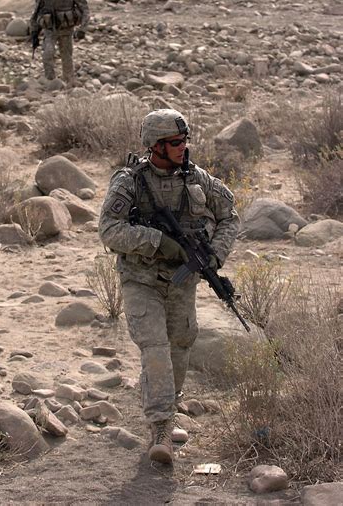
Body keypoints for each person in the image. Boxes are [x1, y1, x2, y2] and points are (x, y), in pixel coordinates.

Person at [98, 109, 239, 464]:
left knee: (180, 343)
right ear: (156, 146)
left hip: (182, 281)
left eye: (184, 141)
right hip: (141, 279)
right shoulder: (129, 182)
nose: (183, 147)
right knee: (155, 347)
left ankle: (169, 408)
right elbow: (109, 230)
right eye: (175, 142)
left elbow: (230, 216)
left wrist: (214, 257)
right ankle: (160, 427)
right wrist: (159, 242)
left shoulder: (198, 179)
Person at [29, 0, 89, 87]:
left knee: (67, 57)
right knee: (48, 53)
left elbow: (85, 10)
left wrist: (83, 29)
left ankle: (68, 81)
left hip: (66, 31)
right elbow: (35, 14)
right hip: (50, 31)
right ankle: (51, 80)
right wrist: (34, 33)